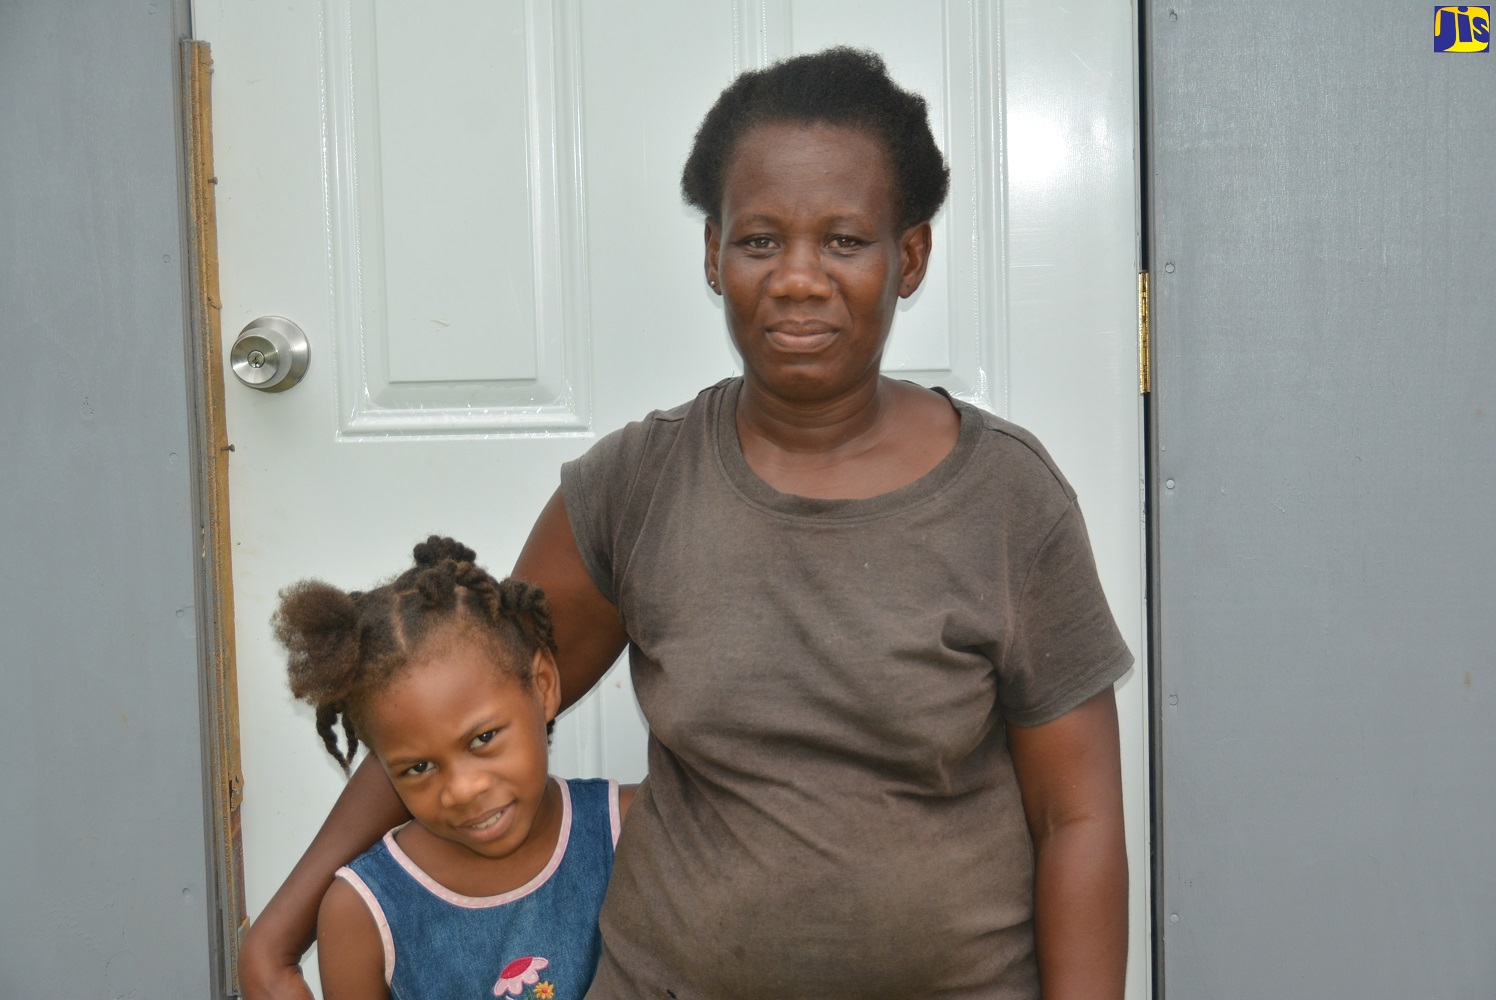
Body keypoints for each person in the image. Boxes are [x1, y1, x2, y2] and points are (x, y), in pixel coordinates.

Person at [242, 47, 1131, 1000]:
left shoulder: (1007, 499)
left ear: (907, 257)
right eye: (759, 241)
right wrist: (279, 932)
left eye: (843, 241)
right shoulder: (640, 484)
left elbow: (1076, 819)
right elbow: (449, 699)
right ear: (713, 255)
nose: (797, 278)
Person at [271, 536, 634, 999]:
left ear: (543, 686)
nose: (461, 791)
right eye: (419, 767)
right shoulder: (361, 913)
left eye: (483, 739)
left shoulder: (629, 829)